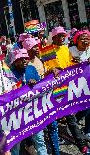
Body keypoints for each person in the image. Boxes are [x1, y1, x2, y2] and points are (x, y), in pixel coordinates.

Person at [43, 26, 89, 154]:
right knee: (52, 124)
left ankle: (82, 146)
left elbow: (70, 65)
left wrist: (81, 64)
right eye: (59, 36)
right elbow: (44, 68)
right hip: (51, 92)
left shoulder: (66, 49)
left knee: (71, 119)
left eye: (64, 35)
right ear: (53, 37)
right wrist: (50, 70)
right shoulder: (45, 50)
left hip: (65, 89)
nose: (62, 38)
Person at [69, 30, 90, 139]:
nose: (85, 41)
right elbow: (65, 65)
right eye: (82, 39)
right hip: (76, 84)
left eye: (87, 39)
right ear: (76, 40)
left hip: (89, 82)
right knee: (84, 107)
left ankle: (87, 131)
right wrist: (73, 62)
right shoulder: (71, 50)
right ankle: (73, 123)